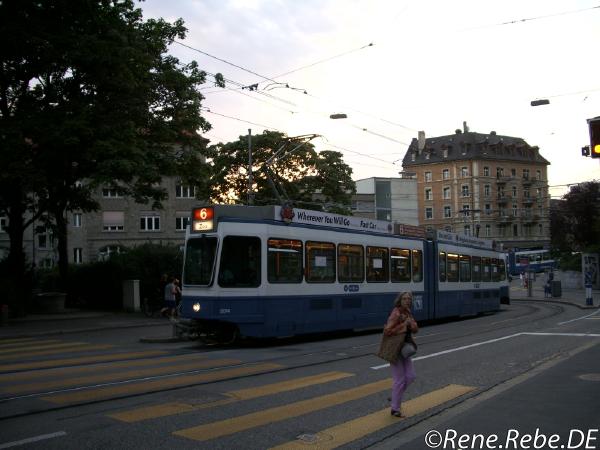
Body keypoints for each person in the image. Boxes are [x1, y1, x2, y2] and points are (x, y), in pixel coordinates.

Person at [384, 291, 418, 418]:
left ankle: (395, 395)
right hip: (395, 349)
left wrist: (412, 324)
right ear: (400, 300)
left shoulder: (408, 312)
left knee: (411, 376)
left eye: (409, 299)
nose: (407, 301)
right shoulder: (396, 313)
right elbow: (388, 331)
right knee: (399, 379)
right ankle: (395, 409)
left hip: (405, 349)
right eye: (404, 299)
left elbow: (415, 329)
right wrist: (404, 324)